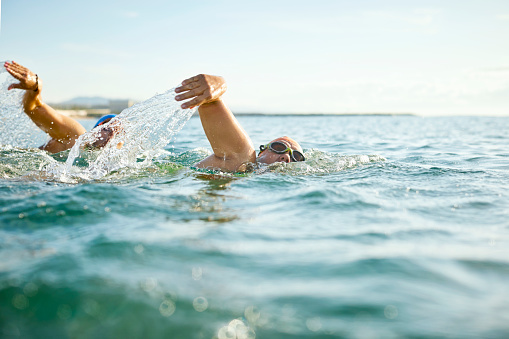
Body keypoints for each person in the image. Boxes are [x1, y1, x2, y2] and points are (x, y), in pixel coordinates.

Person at [4, 61, 305, 173]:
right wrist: (36, 88)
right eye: (105, 126)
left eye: (118, 130)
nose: (110, 132)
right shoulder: (73, 143)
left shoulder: (122, 166)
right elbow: (37, 109)